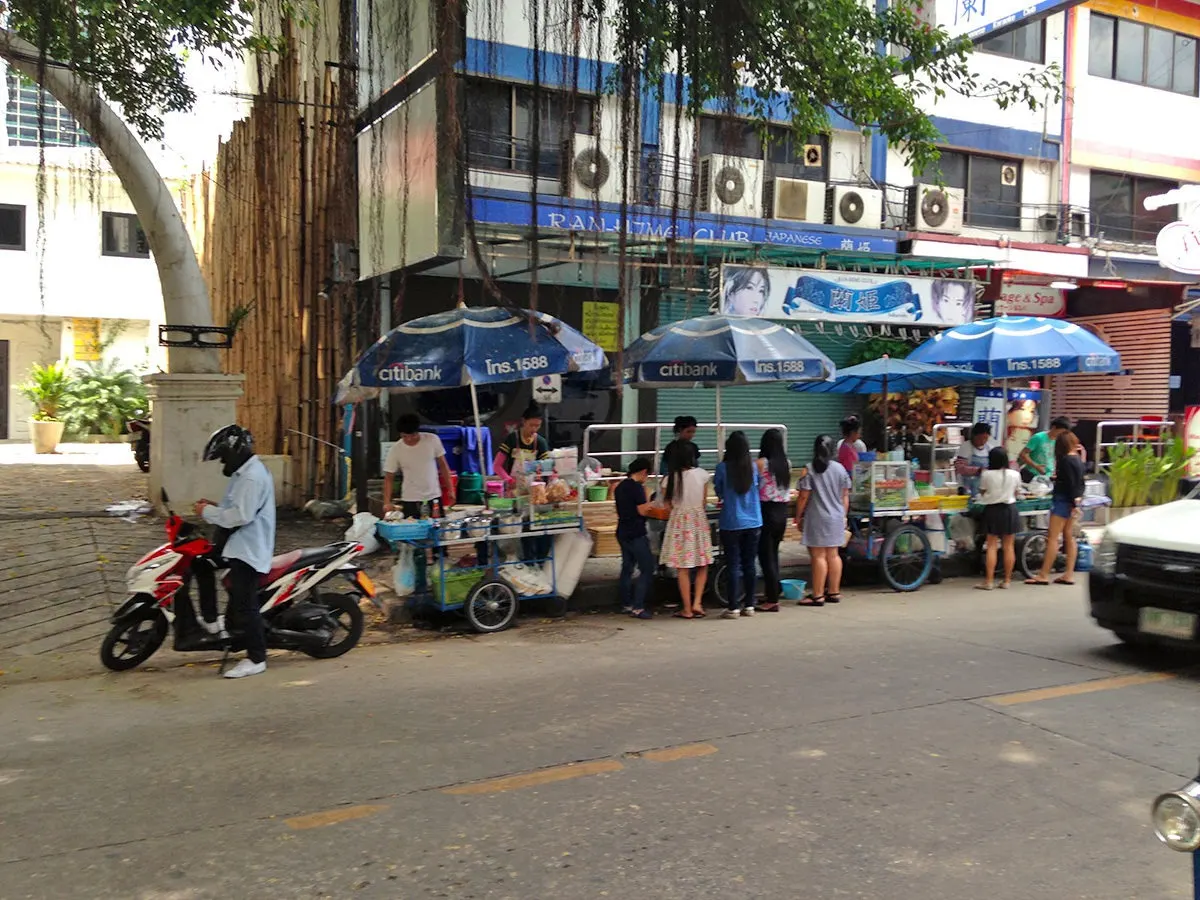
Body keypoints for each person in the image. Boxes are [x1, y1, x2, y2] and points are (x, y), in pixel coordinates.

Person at [193, 424, 276, 680]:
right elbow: (235, 507)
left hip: (248, 549)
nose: (222, 464)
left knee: (245, 604)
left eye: (223, 457)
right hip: (236, 543)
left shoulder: (251, 477)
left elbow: (240, 515)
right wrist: (215, 506)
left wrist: (206, 512)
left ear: (236, 452)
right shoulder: (243, 474)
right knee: (200, 563)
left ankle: (256, 658)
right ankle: (211, 620)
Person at [660, 441, 715, 619]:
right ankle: (697, 602)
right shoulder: (702, 475)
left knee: (682, 567)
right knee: (702, 563)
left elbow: (667, 506)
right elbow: (703, 502)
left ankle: (686, 608)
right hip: (698, 520)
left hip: (678, 523)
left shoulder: (668, 479)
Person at [795, 435, 851, 606]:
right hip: (836, 517)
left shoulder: (809, 469)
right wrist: (843, 515)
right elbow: (845, 496)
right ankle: (834, 592)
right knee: (833, 555)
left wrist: (798, 517)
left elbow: (803, 496)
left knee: (818, 556)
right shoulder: (840, 469)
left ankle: (818, 595)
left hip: (817, 517)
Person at [714, 431, 762, 619]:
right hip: (754, 520)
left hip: (731, 521)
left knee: (733, 564)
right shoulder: (753, 467)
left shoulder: (722, 468)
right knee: (750, 563)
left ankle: (733, 607)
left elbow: (719, 490)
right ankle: (749, 604)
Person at [1027, 431, 1085, 586]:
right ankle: (1069, 574)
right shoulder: (1077, 459)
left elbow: (1069, 483)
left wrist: (1073, 503)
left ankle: (1044, 574)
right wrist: (1076, 502)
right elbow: (1077, 483)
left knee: (1053, 537)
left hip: (1062, 501)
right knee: (1069, 536)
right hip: (1073, 501)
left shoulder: (1065, 460)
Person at [383, 414, 454, 518]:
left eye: (412, 435)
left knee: (436, 528)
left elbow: (443, 466)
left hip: (433, 497)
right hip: (410, 499)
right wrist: (386, 502)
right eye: (404, 436)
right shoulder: (396, 449)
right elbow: (389, 478)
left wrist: (451, 489)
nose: (409, 439)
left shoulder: (432, 440)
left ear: (418, 431)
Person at [614, 458, 656, 620]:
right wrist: (651, 504)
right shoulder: (637, 488)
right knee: (647, 568)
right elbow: (642, 511)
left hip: (622, 530)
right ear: (644, 472)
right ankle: (638, 607)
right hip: (636, 532)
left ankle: (626, 603)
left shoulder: (620, 486)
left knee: (627, 567)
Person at [756, 428, 791, 612]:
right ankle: (774, 590)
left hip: (766, 510)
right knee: (774, 553)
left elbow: (754, 485)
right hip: (782, 511)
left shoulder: (761, 463)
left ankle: (772, 599)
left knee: (765, 555)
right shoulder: (787, 463)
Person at [977, 446, 1021, 591]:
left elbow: (982, 491)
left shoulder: (986, 474)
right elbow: (1017, 492)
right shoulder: (1015, 474)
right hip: (1010, 510)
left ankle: (989, 581)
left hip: (992, 510)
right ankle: (1007, 580)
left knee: (991, 546)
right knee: (1009, 546)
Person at [494, 405, 550, 487]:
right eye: (531, 425)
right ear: (523, 421)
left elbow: (547, 468)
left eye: (537, 426)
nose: (534, 429)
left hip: (533, 489)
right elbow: (497, 466)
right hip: (513, 487)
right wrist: (509, 480)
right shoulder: (512, 439)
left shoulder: (540, 442)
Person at [1018, 416, 1071, 484]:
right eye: (1061, 432)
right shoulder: (1038, 437)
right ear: (1054, 427)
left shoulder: (1059, 441)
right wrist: (1036, 466)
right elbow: (1023, 454)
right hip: (1032, 474)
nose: (1062, 435)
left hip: (1048, 475)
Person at [955, 422, 1001, 496]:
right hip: (968, 486)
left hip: (984, 486)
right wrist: (979, 470)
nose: (982, 441)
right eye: (979, 438)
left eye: (985, 438)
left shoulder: (989, 448)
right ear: (973, 436)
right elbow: (960, 468)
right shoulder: (966, 446)